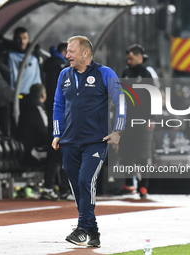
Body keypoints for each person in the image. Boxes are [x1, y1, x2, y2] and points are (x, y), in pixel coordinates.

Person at [52, 36, 126, 247]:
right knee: (77, 188)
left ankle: (82, 228)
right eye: (67, 51)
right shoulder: (64, 75)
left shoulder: (105, 73)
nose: (67, 56)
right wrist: (57, 134)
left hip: (95, 141)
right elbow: (58, 105)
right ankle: (93, 231)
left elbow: (120, 101)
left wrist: (118, 130)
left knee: (86, 181)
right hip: (68, 142)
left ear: (85, 53)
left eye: (71, 52)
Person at [120, 44, 160, 198]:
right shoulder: (126, 72)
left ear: (139, 57)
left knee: (143, 154)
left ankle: (144, 186)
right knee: (126, 152)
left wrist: (152, 118)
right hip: (128, 120)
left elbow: (155, 95)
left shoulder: (148, 73)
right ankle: (129, 183)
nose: (128, 61)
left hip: (143, 121)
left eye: (131, 58)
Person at [42, 42, 72, 200]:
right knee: (58, 151)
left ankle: (61, 188)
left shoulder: (58, 70)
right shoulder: (62, 72)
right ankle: (52, 188)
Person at [5, 27, 42, 95]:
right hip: (16, 95)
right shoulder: (8, 55)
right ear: (14, 39)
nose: (22, 42)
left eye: (25, 38)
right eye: (19, 39)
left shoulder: (35, 54)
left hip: (34, 95)